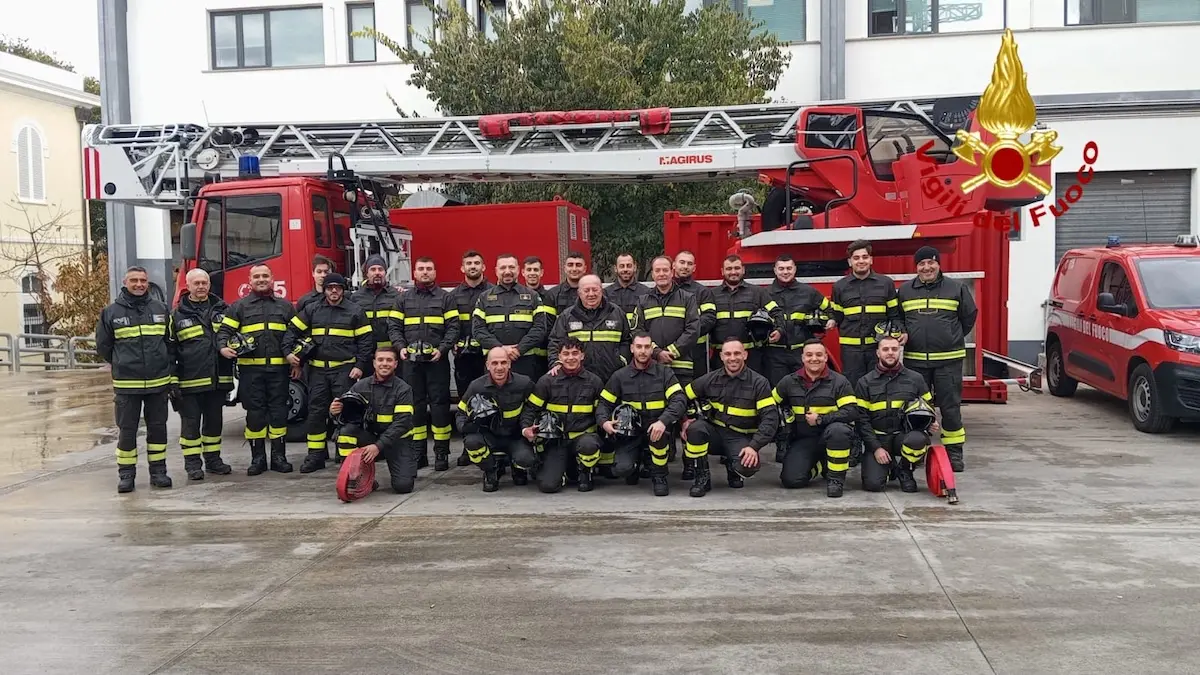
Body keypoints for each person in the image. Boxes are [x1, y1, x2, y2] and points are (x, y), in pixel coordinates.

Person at [283, 272, 374, 473]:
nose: (334, 291)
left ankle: (345, 456)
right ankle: (315, 456)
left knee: (345, 413)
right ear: (324, 290)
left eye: (338, 287)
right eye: (330, 287)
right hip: (317, 371)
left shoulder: (355, 311)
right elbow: (291, 331)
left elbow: (366, 342)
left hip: (345, 371)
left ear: (343, 289)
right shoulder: (312, 310)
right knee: (316, 413)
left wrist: (359, 365)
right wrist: (289, 354)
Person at [897, 245, 977, 473]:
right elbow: (899, 318)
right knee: (917, 409)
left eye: (931, 262)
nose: (927, 267)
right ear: (916, 267)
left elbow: (969, 316)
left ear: (938, 264)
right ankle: (918, 451)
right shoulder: (905, 290)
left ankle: (954, 454)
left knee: (950, 409)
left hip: (948, 360)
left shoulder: (956, 288)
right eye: (922, 264)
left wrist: (951, 336)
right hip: (915, 361)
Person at [96, 266, 175, 493]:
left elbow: (170, 343)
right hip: (127, 384)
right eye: (134, 280)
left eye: (142, 280)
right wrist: (122, 362)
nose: (139, 284)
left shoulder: (160, 309)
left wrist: (164, 365)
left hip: (158, 383)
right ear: (125, 282)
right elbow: (104, 345)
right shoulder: (111, 312)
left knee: (158, 429)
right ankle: (126, 475)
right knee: (127, 430)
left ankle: (158, 472)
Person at [218, 263, 296, 475]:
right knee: (255, 416)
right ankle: (258, 459)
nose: (261, 279)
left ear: (272, 279)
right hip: (251, 374)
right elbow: (224, 331)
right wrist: (223, 347)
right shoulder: (238, 307)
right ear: (249, 281)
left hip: (279, 372)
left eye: (265, 276)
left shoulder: (286, 307)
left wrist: (298, 362)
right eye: (256, 277)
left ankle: (279, 458)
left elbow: (296, 335)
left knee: (279, 414)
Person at [682, 337, 779, 497]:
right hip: (716, 433)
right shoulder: (710, 379)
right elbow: (682, 396)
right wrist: (684, 421)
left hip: (740, 436)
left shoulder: (759, 383)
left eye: (736, 353)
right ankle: (702, 478)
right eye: (728, 354)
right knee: (695, 429)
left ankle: (733, 468)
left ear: (745, 355)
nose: (732, 358)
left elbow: (770, 419)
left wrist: (754, 446)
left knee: (747, 467)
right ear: (721, 356)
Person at [390, 257, 460, 471]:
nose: (425, 272)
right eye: (421, 269)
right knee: (415, 407)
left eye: (429, 269)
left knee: (440, 407)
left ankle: (441, 454)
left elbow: (453, 327)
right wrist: (400, 346)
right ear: (414, 273)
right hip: (410, 364)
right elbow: (393, 325)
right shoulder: (403, 299)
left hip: (436, 362)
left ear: (435, 272)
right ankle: (418, 454)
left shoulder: (446, 298)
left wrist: (443, 349)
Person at [596, 332, 687, 496]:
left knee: (658, 438)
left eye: (647, 347)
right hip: (630, 433)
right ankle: (636, 463)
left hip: (656, 429)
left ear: (652, 349)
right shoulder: (620, 376)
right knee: (622, 469)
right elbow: (604, 403)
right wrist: (604, 422)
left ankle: (659, 475)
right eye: (639, 347)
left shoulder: (665, 373)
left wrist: (663, 421)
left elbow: (679, 400)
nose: (643, 351)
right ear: (632, 348)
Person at [633, 255, 700, 477]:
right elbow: (637, 330)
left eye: (665, 270)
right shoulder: (643, 300)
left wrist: (672, 351)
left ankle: (691, 463)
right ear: (652, 274)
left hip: (681, 365)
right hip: (653, 367)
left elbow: (693, 329)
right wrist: (655, 352)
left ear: (672, 271)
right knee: (658, 410)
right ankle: (658, 458)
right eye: (657, 271)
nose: (661, 274)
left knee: (687, 414)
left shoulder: (688, 298)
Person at [169, 268, 234, 480]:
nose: (201, 286)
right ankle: (192, 465)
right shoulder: (177, 316)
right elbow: (170, 351)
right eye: (196, 283)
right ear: (187, 286)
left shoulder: (224, 310)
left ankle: (213, 461)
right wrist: (173, 381)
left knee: (214, 424)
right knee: (190, 427)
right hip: (189, 382)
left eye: (204, 282)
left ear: (209, 284)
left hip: (218, 381)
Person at [771, 339, 858, 497]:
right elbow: (769, 405)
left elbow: (851, 411)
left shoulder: (839, 382)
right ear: (802, 358)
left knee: (838, 430)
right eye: (809, 355)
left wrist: (821, 419)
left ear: (826, 357)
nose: (814, 358)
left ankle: (835, 480)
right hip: (804, 439)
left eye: (819, 354)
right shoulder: (789, 381)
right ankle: (821, 465)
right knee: (791, 480)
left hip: (832, 437)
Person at [854, 335, 939, 493]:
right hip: (878, 439)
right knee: (873, 485)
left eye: (894, 349)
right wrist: (876, 448)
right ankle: (889, 467)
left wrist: (931, 423)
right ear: (878, 353)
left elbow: (928, 408)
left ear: (900, 351)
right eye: (885, 349)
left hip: (903, 437)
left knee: (918, 439)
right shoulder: (864, 382)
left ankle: (905, 470)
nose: (890, 352)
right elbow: (861, 421)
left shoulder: (916, 379)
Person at [520, 338, 605, 493]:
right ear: (559, 357)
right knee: (548, 486)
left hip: (583, 438)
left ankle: (585, 472)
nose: (570, 357)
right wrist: (526, 428)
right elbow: (531, 408)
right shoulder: (547, 381)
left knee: (589, 445)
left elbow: (602, 410)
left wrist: (605, 424)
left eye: (575, 353)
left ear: (582, 356)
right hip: (556, 441)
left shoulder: (594, 382)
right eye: (565, 354)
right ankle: (564, 470)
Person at [331, 347, 418, 493]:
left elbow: (401, 424)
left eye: (389, 360)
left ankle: (403, 466)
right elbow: (348, 418)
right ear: (374, 363)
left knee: (403, 486)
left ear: (396, 364)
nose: (384, 363)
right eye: (380, 360)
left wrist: (378, 446)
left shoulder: (403, 389)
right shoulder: (360, 386)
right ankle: (356, 477)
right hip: (370, 438)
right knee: (346, 433)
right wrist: (335, 412)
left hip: (397, 441)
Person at [456, 346, 538, 492]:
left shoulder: (524, 384)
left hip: (515, 436)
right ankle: (491, 470)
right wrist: (467, 427)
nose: (499, 367)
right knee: (472, 442)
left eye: (503, 362)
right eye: (494, 363)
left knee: (526, 459)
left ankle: (517, 468)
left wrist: (528, 428)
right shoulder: (476, 386)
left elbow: (535, 409)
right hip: (490, 437)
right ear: (487, 365)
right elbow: (460, 413)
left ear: (509, 364)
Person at [829, 239, 905, 387]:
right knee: (853, 388)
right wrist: (829, 320)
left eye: (864, 257)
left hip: (877, 349)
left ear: (871, 260)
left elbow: (894, 314)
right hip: (851, 352)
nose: (861, 261)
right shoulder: (839, 287)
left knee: (880, 387)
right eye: (856, 258)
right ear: (850, 262)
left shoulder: (886, 284)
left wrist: (901, 331)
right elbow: (836, 316)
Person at [472, 253, 551, 381]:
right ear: (496, 271)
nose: (507, 271)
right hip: (495, 363)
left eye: (511, 267)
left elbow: (540, 328)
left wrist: (519, 349)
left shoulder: (532, 296)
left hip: (525, 361)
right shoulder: (484, 298)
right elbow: (478, 330)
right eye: (503, 268)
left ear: (518, 270)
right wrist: (501, 349)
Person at [450, 249, 493, 466]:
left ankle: (489, 444)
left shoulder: (494, 293)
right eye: (469, 263)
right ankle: (469, 447)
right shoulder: (453, 296)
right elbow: (449, 325)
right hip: (464, 359)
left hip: (487, 358)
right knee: (466, 404)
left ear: (484, 267)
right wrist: (453, 344)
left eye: (477, 263)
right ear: (462, 268)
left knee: (490, 401)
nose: (473, 266)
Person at [709, 254, 785, 375]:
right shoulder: (711, 295)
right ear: (722, 271)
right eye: (729, 269)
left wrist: (779, 330)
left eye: (737, 268)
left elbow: (777, 312)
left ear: (743, 270)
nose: (733, 272)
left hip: (751, 357)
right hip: (721, 358)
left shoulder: (758, 292)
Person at [547, 274, 631, 384]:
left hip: (612, 378)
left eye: (595, 290)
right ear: (579, 293)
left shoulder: (616, 313)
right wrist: (556, 363)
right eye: (586, 290)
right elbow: (555, 342)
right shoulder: (567, 316)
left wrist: (621, 360)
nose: (591, 294)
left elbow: (627, 341)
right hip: (577, 380)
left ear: (601, 291)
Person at [765, 254, 832, 387]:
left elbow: (830, 309)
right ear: (775, 270)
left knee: (802, 389)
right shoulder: (765, 294)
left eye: (789, 268)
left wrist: (831, 320)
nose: (785, 272)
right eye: (781, 269)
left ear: (795, 269)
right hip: (775, 355)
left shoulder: (809, 292)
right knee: (778, 391)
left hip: (800, 353)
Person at [672, 250, 717, 377]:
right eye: (682, 262)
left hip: (695, 353)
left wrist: (686, 333)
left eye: (689, 263)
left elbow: (709, 319)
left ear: (694, 268)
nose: (685, 266)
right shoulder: (665, 290)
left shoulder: (703, 292)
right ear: (674, 265)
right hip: (668, 351)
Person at [349, 254, 403, 357]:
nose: (377, 272)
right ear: (366, 273)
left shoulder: (397, 296)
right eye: (373, 269)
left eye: (380, 269)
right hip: (365, 353)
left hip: (391, 353)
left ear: (385, 272)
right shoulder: (356, 297)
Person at [521, 255, 552, 380]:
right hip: (523, 357)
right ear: (522, 272)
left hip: (545, 358)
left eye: (536, 270)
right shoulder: (516, 297)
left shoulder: (551, 297)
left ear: (541, 272)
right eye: (529, 270)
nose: (532, 273)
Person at [605, 252, 648, 327]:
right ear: (615, 268)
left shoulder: (646, 292)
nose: (625, 269)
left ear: (634, 267)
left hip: (638, 336)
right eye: (622, 266)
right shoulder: (605, 293)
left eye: (629, 266)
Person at [543, 250, 588, 319]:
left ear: (585, 269)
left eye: (578, 265)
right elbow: (548, 325)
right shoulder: (552, 295)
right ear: (565, 268)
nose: (574, 269)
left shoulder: (594, 294)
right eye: (570, 265)